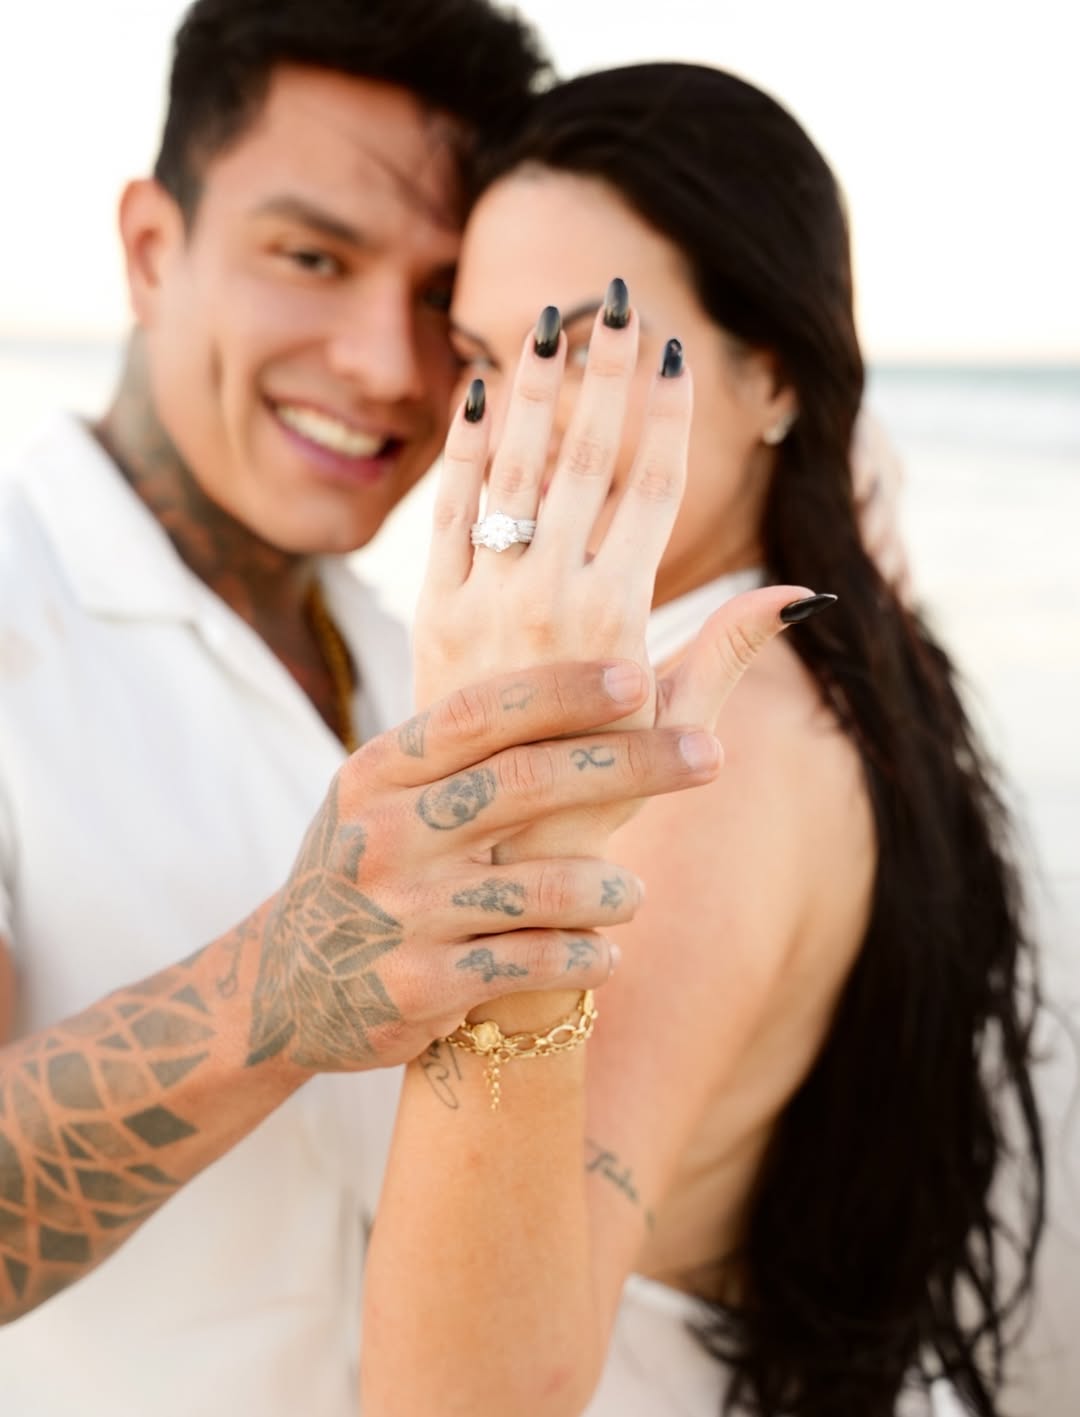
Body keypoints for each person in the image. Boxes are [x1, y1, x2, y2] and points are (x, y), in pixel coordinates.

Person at [0, 8, 799, 1413]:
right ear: (152, 249)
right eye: (311, 258)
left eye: (442, 305)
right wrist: (274, 991)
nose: (388, 366)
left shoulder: (406, 651)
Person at [355, 65, 1045, 1417]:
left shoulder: (708, 754)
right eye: (489, 362)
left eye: (586, 351)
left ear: (770, 371)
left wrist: (509, 825)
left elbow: (460, 1398)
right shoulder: (833, 656)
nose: (520, 428)